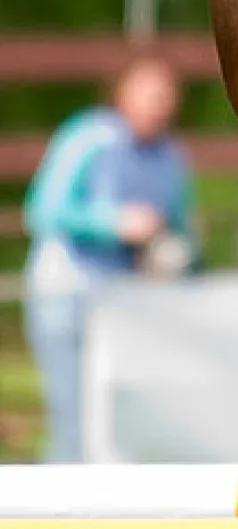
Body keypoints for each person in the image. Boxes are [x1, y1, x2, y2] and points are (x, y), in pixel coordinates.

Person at [21, 55, 198, 463]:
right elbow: (44, 211)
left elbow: (179, 228)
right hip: (68, 293)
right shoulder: (88, 138)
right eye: (150, 91)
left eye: (166, 93)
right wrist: (114, 223)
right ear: (122, 92)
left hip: (130, 304)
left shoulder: (171, 158)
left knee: (116, 425)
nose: (159, 101)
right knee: (74, 419)